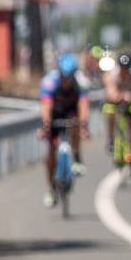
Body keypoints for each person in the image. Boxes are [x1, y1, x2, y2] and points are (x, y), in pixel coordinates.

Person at [38, 52, 90, 208]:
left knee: (76, 125)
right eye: (63, 76)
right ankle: (51, 189)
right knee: (50, 154)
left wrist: (83, 126)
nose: (66, 80)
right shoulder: (49, 82)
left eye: (69, 77)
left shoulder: (81, 82)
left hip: (72, 111)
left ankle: (77, 157)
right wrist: (46, 125)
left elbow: (83, 106)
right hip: (55, 112)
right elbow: (46, 106)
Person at [103, 52, 131, 174]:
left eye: (126, 68)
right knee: (109, 111)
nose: (124, 71)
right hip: (114, 103)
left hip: (129, 104)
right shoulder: (111, 75)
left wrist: (129, 97)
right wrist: (121, 96)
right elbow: (111, 93)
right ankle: (110, 139)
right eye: (122, 68)